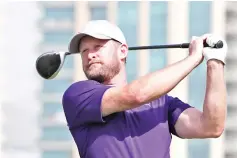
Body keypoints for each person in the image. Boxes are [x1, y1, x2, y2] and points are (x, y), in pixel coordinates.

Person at [62, 20, 227, 158]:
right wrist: (193, 59)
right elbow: (135, 95)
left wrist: (215, 62)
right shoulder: (77, 96)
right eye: (84, 51)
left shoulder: (162, 103)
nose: (90, 55)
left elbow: (211, 126)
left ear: (123, 51)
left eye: (97, 47)